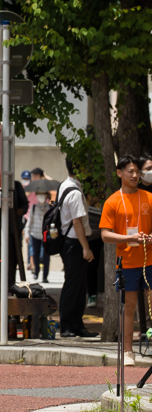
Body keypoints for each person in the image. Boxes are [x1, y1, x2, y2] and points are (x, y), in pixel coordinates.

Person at [98, 156, 151, 367]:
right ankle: (128, 351)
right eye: (130, 171)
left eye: (137, 171)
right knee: (129, 307)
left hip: (150, 260)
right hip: (127, 262)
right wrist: (129, 238)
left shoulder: (148, 197)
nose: (135, 175)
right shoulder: (112, 201)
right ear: (119, 173)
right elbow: (105, 235)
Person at [58, 158, 97, 338]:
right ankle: (66, 325)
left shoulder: (64, 185)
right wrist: (85, 247)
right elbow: (77, 222)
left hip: (70, 242)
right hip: (74, 243)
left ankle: (76, 324)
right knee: (73, 285)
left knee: (79, 285)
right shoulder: (74, 192)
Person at [28, 188, 52, 282]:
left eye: (43, 194)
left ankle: (45, 276)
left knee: (46, 256)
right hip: (35, 234)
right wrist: (27, 233)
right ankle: (36, 272)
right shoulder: (34, 207)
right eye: (39, 194)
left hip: (46, 235)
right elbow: (30, 221)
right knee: (35, 254)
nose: (41, 196)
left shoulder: (50, 208)